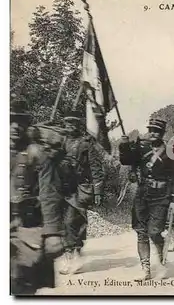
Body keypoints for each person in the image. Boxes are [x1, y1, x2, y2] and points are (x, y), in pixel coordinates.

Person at [10, 99, 65, 295]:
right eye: (9, 120)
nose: (14, 127)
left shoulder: (36, 153)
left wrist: (52, 232)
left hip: (27, 224)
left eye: (20, 121)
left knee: (22, 280)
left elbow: (49, 194)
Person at [118, 118, 174, 280]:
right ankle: (145, 269)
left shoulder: (170, 151)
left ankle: (160, 262)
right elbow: (126, 160)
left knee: (154, 231)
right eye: (151, 129)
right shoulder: (141, 147)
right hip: (143, 194)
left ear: (162, 133)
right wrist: (124, 146)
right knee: (141, 233)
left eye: (157, 131)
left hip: (161, 196)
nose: (153, 133)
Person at [57, 111, 104, 275]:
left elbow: (96, 168)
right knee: (65, 223)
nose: (69, 126)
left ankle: (74, 255)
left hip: (80, 188)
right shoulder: (61, 142)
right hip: (63, 187)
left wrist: (98, 191)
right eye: (67, 123)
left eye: (73, 124)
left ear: (78, 126)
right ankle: (71, 255)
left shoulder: (86, 144)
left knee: (73, 220)